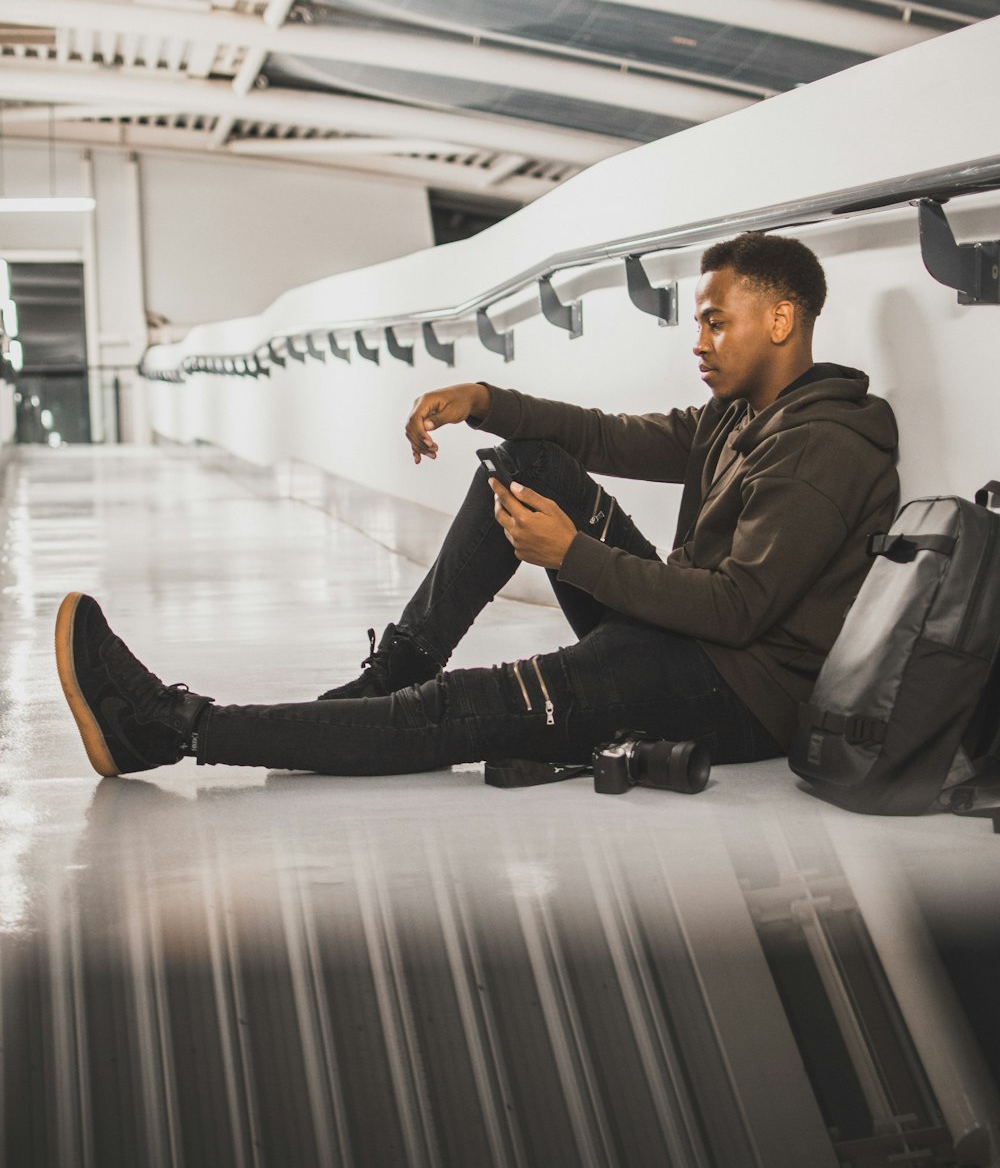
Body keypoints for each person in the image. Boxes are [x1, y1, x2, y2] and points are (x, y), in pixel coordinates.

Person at [56, 232, 900, 780]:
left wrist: (574, 556)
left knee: (466, 712)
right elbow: (605, 438)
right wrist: (487, 400)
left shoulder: (825, 445)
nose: (700, 341)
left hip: (738, 692)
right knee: (529, 465)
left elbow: (740, 607)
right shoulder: (741, 415)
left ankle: (172, 726)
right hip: (686, 640)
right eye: (699, 324)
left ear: (783, 319)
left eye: (718, 322)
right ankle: (388, 677)